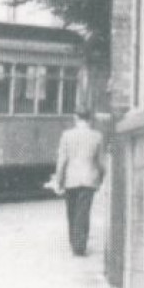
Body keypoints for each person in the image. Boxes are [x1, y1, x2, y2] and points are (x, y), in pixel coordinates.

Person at [51, 109, 106, 257]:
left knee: (72, 211)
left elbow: (62, 161)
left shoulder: (67, 135)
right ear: (90, 119)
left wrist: (59, 180)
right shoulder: (97, 136)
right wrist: (101, 177)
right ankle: (80, 245)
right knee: (84, 212)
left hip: (71, 179)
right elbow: (101, 162)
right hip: (89, 179)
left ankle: (74, 242)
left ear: (76, 118)